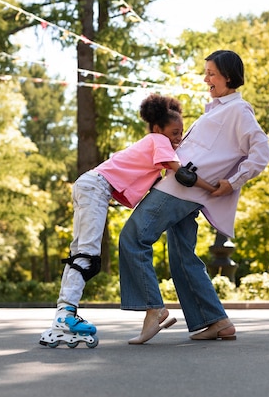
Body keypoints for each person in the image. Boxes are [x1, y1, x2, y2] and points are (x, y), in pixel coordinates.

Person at [39, 93, 218, 348]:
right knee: (87, 255)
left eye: (181, 133)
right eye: (175, 132)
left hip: (89, 185)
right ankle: (65, 317)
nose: (179, 138)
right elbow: (182, 176)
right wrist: (212, 188)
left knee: (80, 251)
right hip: (96, 188)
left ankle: (64, 313)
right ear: (159, 128)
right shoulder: (159, 140)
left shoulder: (152, 143)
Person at [119, 50, 269, 344]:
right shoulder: (214, 110)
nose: (206, 79)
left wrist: (232, 182)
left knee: (133, 237)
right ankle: (216, 320)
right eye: (207, 73)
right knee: (181, 256)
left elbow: (261, 151)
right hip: (186, 187)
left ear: (229, 76)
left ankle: (154, 309)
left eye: (212, 73)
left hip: (180, 190)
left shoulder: (238, 111)